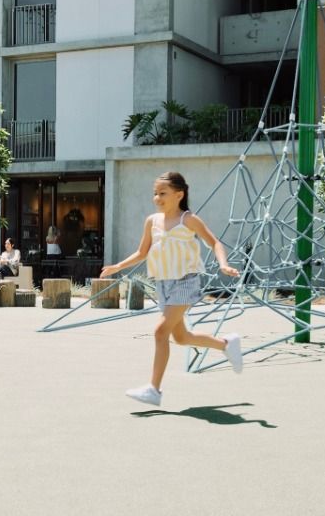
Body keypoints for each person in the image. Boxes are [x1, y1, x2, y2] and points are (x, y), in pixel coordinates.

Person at [99, 171, 243, 407]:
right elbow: (142, 253)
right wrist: (118, 266)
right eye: (155, 193)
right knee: (182, 337)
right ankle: (227, 345)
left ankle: (154, 390)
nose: (157, 198)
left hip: (186, 281)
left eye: (162, 193)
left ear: (179, 194)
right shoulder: (152, 221)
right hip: (163, 284)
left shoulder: (189, 220)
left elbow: (214, 242)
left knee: (160, 332)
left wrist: (223, 264)